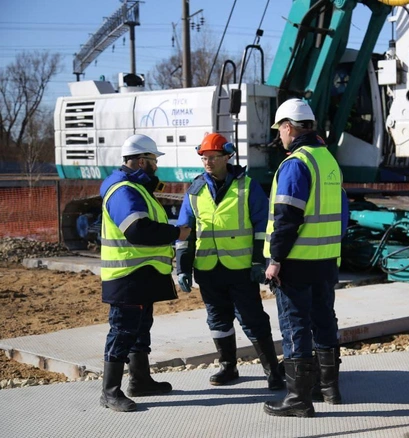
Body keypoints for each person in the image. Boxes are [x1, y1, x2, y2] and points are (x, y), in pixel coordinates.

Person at [175, 133, 284, 391]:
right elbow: (185, 232)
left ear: (228, 156)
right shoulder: (195, 190)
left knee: (253, 319)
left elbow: (263, 227)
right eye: (204, 158)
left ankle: (272, 371)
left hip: (241, 269)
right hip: (208, 269)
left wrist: (260, 261)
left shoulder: (247, 186)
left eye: (213, 157)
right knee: (218, 320)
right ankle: (228, 366)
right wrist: (182, 267)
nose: (208, 162)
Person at [262, 98, 349, 418]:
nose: (280, 138)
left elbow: (287, 217)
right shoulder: (328, 160)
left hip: (296, 262)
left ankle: (298, 398)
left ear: (288, 127)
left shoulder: (296, 164)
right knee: (324, 319)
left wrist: (275, 259)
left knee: (295, 325)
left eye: (280, 131)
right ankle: (329, 388)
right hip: (325, 259)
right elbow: (341, 214)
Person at [100, 134, 191, 412]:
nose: (156, 166)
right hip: (128, 274)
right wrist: (177, 233)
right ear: (142, 161)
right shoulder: (123, 190)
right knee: (123, 330)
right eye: (154, 160)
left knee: (139, 329)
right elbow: (136, 230)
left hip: (141, 273)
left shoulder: (136, 188)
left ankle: (140, 380)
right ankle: (109, 392)